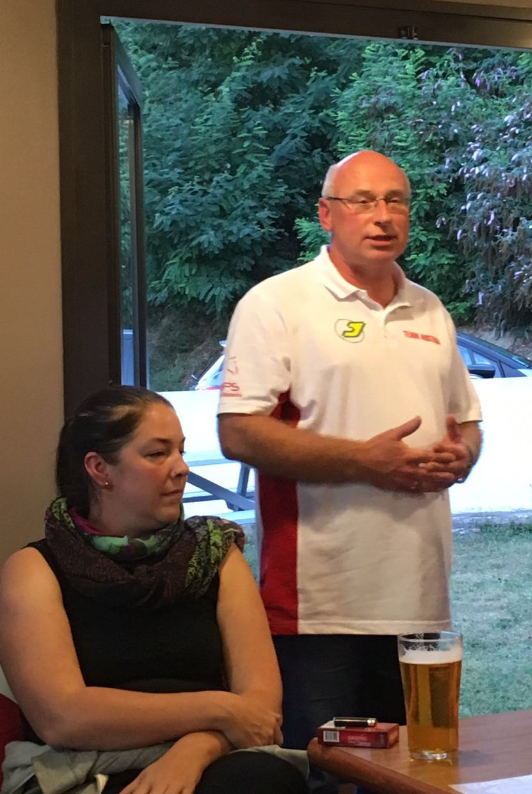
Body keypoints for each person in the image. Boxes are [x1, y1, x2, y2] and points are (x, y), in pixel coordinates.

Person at [218, 150, 482, 756]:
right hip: (320, 604)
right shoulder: (277, 303)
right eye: (362, 201)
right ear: (326, 214)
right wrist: (363, 461)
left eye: (396, 201)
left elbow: (467, 422)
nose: (383, 216)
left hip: (420, 598)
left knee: (418, 771)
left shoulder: (430, 308)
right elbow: (239, 432)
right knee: (323, 773)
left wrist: (461, 456)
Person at [0, 386, 307, 794]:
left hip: (215, 760)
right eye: (157, 453)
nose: (181, 468)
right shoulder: (36, 568)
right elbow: (64, 718)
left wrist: (193, 750)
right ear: (99, 468)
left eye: (181, 451)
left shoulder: (215, 553)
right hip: (82, 768)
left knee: (264, 780)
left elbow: (261, 712)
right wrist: (218, 708)